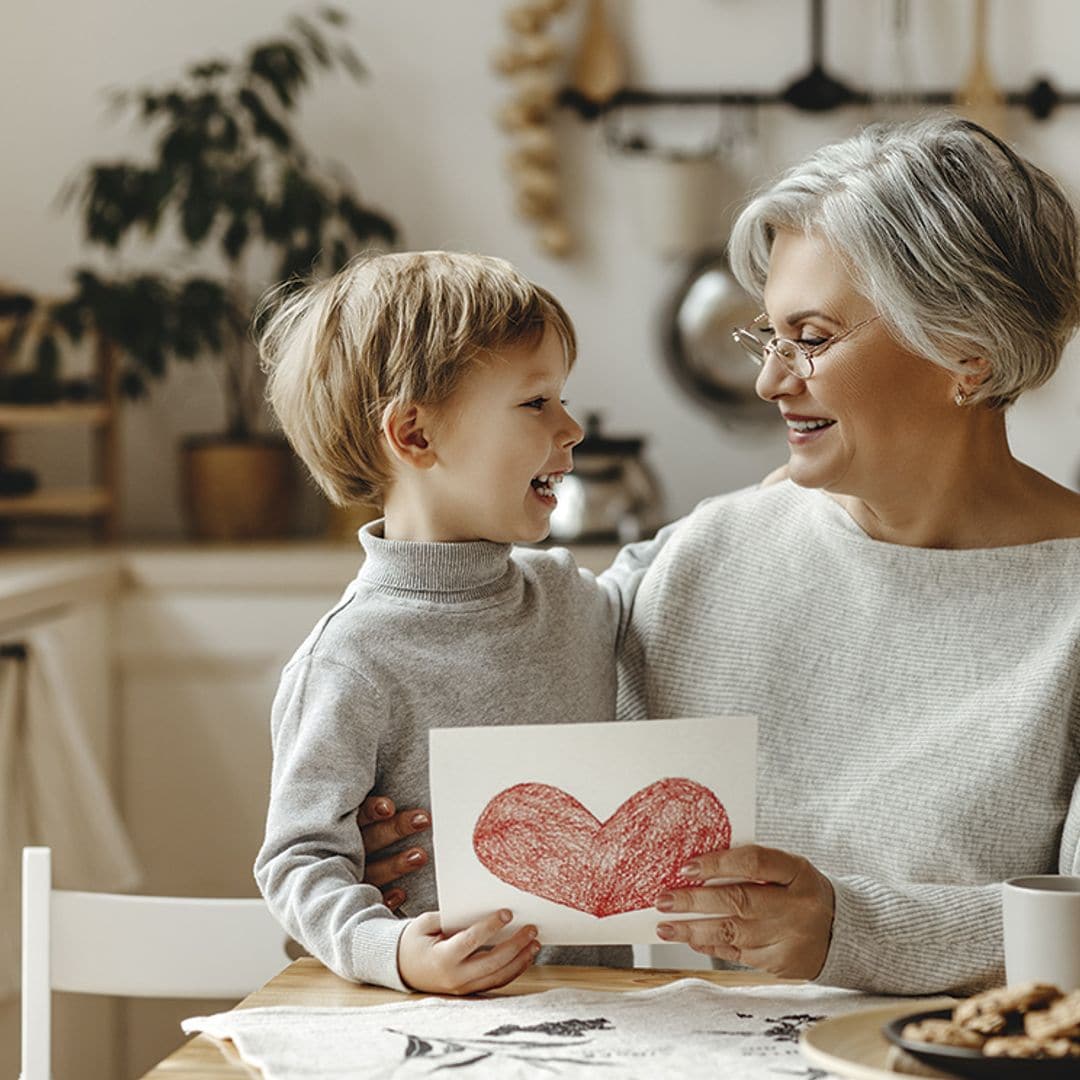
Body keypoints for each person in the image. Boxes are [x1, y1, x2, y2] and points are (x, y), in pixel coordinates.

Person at [362, 115, 1080, 996]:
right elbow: (512, 698)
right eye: (767, 338)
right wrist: (407, 828)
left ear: (966, 350)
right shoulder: (716, 550)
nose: (770, 381)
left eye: (811, 338)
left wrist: (847, 929)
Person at [253, 251, 634, 995]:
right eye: (536, 403)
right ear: (416, 436)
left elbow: (677, 566)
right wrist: (393, 952)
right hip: (429, 1038)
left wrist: (786, 490)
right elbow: (297, 861)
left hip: (604, 1027)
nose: (573, 427)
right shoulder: (350, 656)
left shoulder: (571, 599)